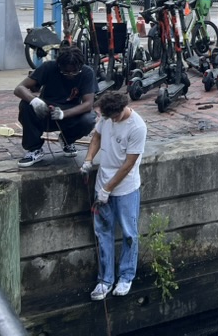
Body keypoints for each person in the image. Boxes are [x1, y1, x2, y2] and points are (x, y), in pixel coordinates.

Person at [81, 90, 147, 300]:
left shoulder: (137, 127)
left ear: (122, 109)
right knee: (103, 233)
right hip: (102, 181)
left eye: (113, 117)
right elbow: (97, 136)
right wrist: (88, 159)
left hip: (126, 188)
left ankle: (126, 276)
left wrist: (107, 189)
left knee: (129, 234)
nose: (110, 120)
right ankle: (105, 279)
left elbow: (129, 164)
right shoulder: (106, 118)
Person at [14, 44, 97, 166]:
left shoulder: (86, 72)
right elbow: (19, 88)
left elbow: (88, 104)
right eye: (66, 72)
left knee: (89, 119)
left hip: (70, 113)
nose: (70, 75)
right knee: (26, 105)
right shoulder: (48, 67)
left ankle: (67, 139)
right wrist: (35, 101)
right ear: (59, 66)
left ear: (80, 66)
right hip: (45, 111)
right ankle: (34, 149)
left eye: (74, 71)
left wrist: (63, 114)